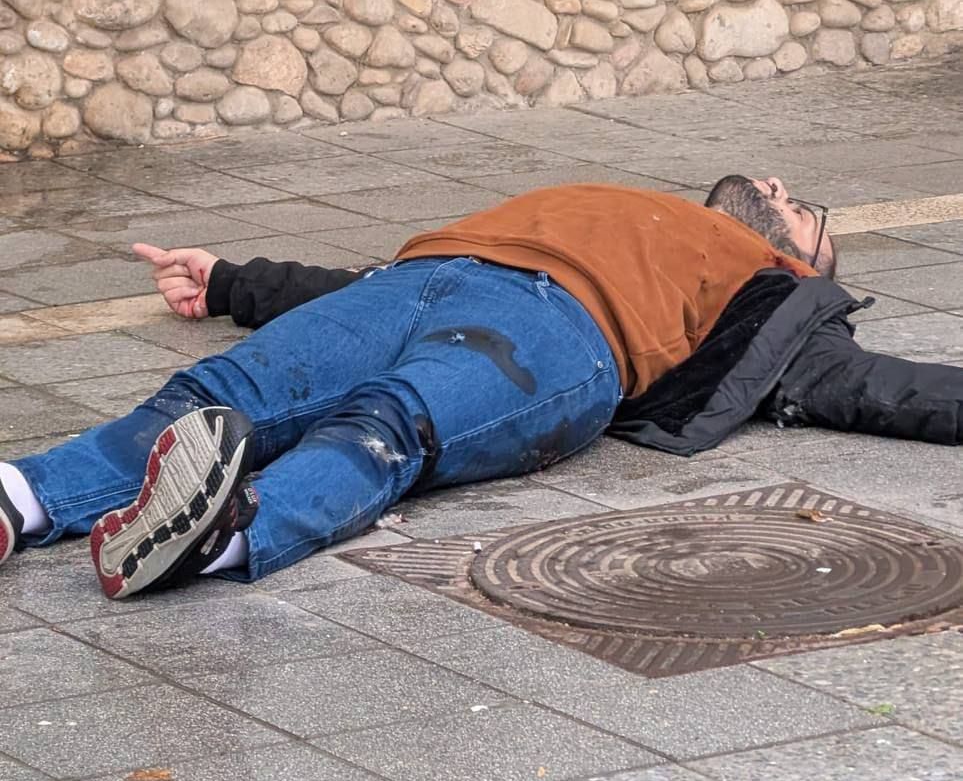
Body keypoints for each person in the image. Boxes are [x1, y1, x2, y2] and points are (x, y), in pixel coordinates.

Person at [1, 176, 959, 601]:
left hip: (560, 333)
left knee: (383, 424)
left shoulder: (773, 301)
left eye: (802, 210)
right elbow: (344, 282)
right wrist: (229, 281)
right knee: (210, 394)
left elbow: (892, 390)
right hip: (421, 276)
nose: (781, 187)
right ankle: (21, 499)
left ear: (802, 261)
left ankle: (224, 537)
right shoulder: (632, 205)